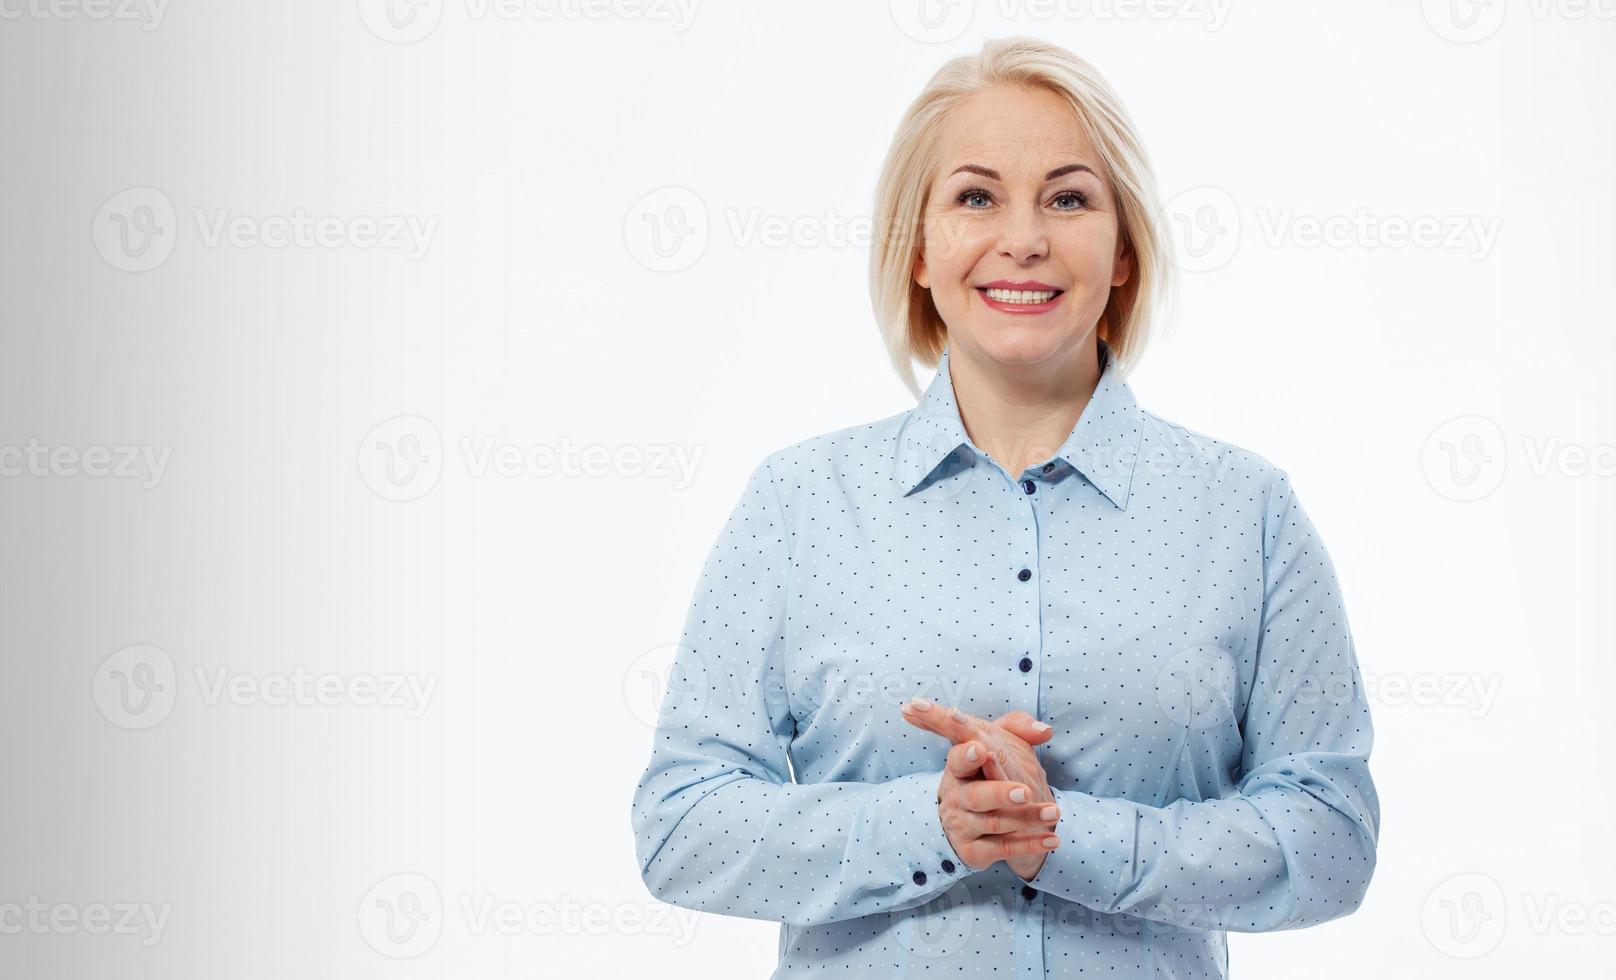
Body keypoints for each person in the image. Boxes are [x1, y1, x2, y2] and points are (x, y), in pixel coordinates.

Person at [631, 35, 1379, 978]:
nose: (1023, 238)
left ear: (1122, 253)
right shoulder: (797, 507)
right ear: (918, 249)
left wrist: (1060, 838)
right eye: (976, 197)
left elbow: (1333, 840)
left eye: (1068, 198)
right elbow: (681, 825)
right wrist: (931, 823)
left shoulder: (1248, 515)